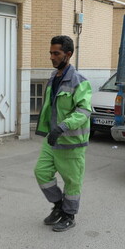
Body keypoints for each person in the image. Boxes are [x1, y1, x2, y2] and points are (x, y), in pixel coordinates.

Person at [34, 35, 92, 232]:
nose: (52, 57)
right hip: (53, 139)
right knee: (41, 172)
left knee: (72, 181)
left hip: (70, 141)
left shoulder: (79, 81)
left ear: (68, 54)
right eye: (50, 53)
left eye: (56, 53)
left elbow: (84, 111)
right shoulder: (53, 77)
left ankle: (69, 215)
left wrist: (63, 127)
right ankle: (59, 205)